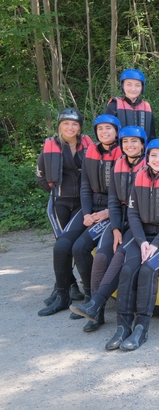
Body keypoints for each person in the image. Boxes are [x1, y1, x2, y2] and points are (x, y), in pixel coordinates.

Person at [106, 139, 159, 351]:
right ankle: (122, 327)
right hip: (144, 235)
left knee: (148, 270)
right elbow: (132, 213)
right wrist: (142, 241)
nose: (158, 159)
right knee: (127, 269)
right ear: (147, 157)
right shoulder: (140, 175)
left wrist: (155, 244)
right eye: (154, 155)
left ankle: (141, 328)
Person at [71, 126, 147, 332]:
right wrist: (114, 229)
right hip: (118, 220)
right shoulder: (119, 165)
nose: (129, 145)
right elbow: (113, 202)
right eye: (125, 142)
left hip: (139, 222)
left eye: (134, 141)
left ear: (142, 145)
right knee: (102, 258)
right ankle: (97, 313)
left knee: (118, 257)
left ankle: (95, 304)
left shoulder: (151, 166)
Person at [36, 108, 94, 315]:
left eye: (75, 124)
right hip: (59, 202)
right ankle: (66, 291)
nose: (70, 127)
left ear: (80, 127)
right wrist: (57, 191)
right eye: (66, 124)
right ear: (60, 125)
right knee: (62, 247)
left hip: (81, 203)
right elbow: (41, 176)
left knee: (65, 246)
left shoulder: (87, 145)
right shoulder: (51, 145)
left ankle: (69, 291)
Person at [69, 115, 122, 320]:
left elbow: (124, 192)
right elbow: (85, 186)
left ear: (116, 131)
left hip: (112, 210)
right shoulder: (90, 151)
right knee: (75, 248)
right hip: (93, 207)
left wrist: (108, 212)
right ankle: (90, 298)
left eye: (108, 128)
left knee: (81, 247)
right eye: (100, 129)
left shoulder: (122, 153)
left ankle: (95, 304)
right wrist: (86, 212)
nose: (104, 132)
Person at [104, 68, 156, 140]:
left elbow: (151, 136)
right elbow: (106, 133)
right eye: (129, 84)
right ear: (123, 86)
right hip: (118, 149)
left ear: (142, 87)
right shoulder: (113, 106)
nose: (133, 89)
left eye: (137, 85)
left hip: (142, 150)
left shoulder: (147, 107)